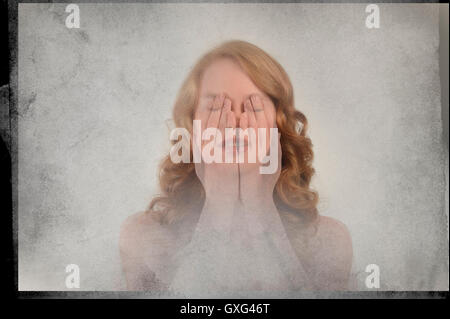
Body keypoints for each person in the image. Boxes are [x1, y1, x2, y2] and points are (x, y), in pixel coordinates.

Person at [119, 40, 353, 294]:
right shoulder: (143, 237)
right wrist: (217, 205)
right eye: (217, 107)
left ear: (278, 124)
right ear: (192, 124)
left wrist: (261, 207)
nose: (235, 123)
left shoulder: (328, 242)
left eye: (253, 106)